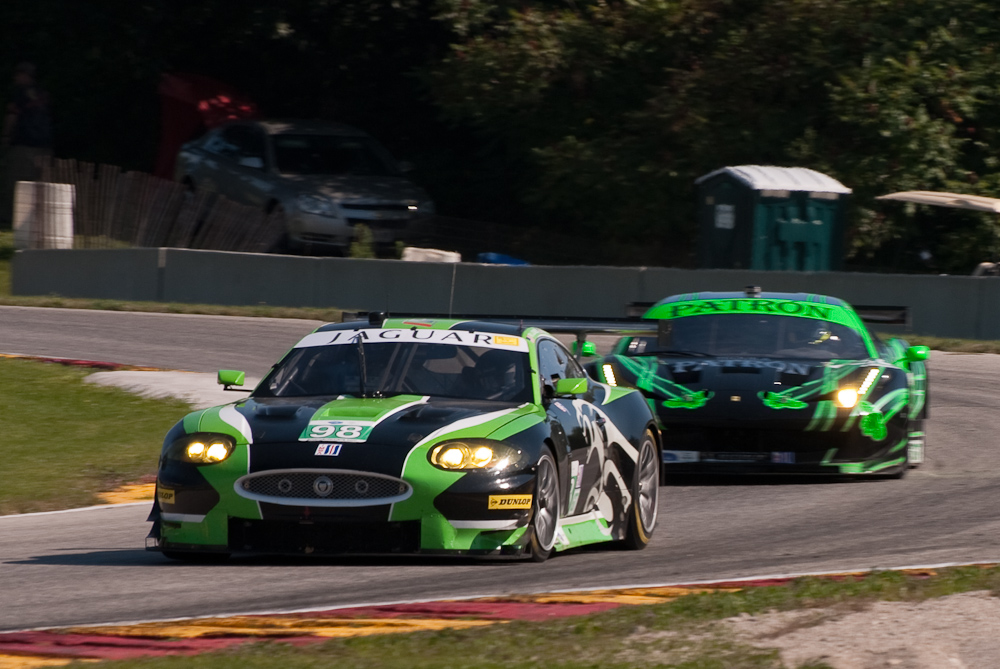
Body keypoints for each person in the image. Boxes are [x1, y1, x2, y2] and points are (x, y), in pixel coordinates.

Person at [0, 62, 53, 229]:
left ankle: (11, 220)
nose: (16, 78)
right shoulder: (43, 94)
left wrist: (6, 137)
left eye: (18, 74)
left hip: (22, 146)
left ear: (25, 75)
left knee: (14, 185)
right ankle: (35, 221)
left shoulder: (19, 93)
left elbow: (12, 116)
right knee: (36, 184)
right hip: (44, 147)